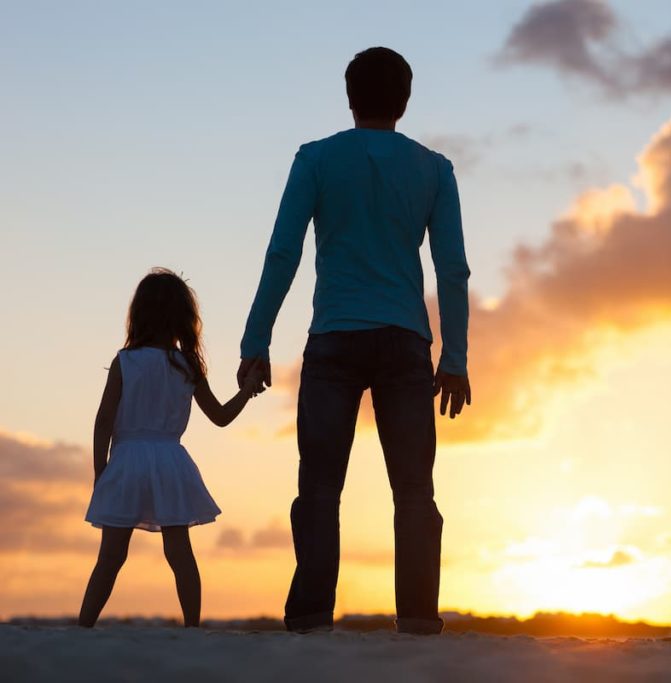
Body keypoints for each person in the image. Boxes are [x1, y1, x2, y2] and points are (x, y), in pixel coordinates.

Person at [238, 46, 471, 635]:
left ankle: (313, 618)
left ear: (349, 96)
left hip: (335, 338)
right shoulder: (434, 168)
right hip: (404, 341)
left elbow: (282, 253)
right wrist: (456, 356)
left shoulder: (316, 159)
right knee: (414, 490)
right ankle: (418, 620)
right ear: (405, 99)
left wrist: (255, 341)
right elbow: (452, 269)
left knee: (318, 487)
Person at [79, 268, 264, 628]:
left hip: (127, 462)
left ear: (140, 314)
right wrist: (247, 390)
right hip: (170, 463)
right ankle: (192, 627)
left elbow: (103, 421)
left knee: (111, 556)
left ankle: (83, 627)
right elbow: (221, 416)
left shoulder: (125, 361)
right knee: (180, 554)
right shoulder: (186, 365)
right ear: (183, 317)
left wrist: (101, 473)